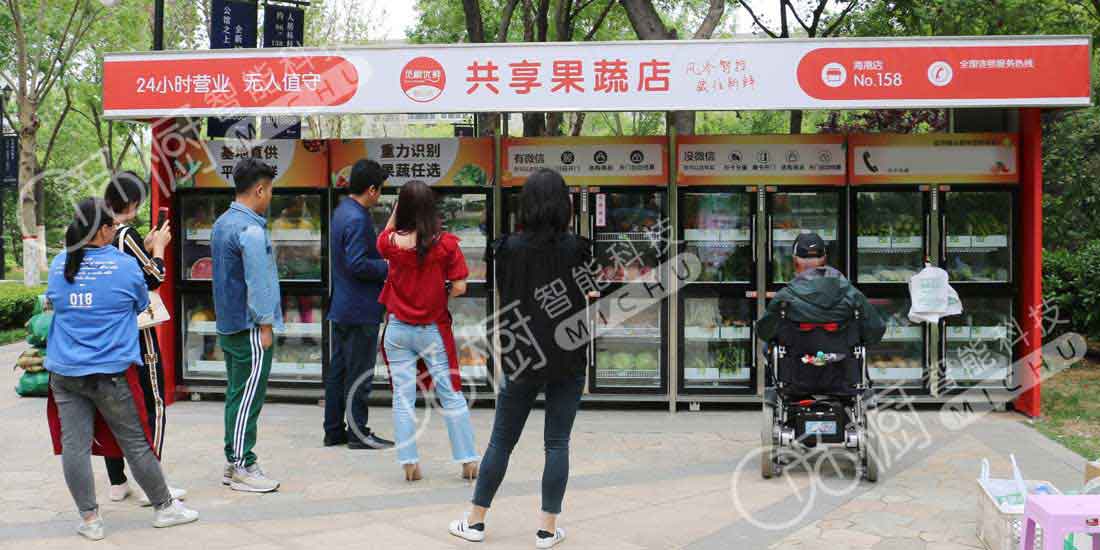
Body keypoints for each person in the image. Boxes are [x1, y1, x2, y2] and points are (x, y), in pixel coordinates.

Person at [448, 169, 590, 549]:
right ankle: (547, 530)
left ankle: (475, 522)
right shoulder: (578, 248)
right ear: (564, 205)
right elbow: (588, 294)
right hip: (568, 354)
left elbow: (506, 293)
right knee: (557, 443)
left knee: (501, 441)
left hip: (522, 352)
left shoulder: (507, 248)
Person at [46, 199, 199, 540]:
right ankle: (165, 508)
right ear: (103, 230)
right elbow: (143, 301)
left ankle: (90, 520)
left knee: (75, 447)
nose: (116, 230)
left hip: (65, 373)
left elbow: (55, 300)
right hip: (110, 374)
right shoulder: (123, 266)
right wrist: (157, 250)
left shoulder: (59, 264)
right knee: (135, 442)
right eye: (112, 226)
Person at [377, 180, 478, 482]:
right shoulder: (446, 245)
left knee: (403, 398)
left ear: (402, 209)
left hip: (397, 330)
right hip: (432, 330)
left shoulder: (390, 243)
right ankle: (468, 461)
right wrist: (440, 291)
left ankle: (409, 463)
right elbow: (460, 287)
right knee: (451, 395)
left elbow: (383, 235)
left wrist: (397, 212)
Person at [101, 171, 186, 504]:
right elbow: (153, 277)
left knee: (114, 407)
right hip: (139, 333)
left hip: (109, 333)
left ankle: (117, 481)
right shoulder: (126, 233)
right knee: (154, 403)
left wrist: (146, 247)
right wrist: (160, 248)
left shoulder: (100, 233)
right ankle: (155, 483)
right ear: (133, 202)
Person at [211, 158, 283, 493]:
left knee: (237, 395)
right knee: (247, 400)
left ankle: (235, 462)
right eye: (270, 190)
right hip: (250, 328)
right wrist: (265, 325)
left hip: (229, 325)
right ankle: (241, 464)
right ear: (260, 190)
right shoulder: (250, 229)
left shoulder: (222, 223)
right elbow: (258, 282)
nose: (270, 197)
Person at [325, 159, 394, 449]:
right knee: (359, 375)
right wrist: (387, 267)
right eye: (380, 189)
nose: (379, 195)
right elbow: (357, 263)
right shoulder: (358, 218)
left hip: (342, 306)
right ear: (372, 190)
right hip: (360, 309)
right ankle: (358, 433)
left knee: (339, 371)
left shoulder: (343, 210)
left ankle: (333, 430)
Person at [756, 232, 885, 344]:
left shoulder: (784, 298)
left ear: (795, 261)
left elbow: (764, 333)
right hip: (842, 363)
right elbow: (876, 331)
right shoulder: (852, 295)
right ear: (824, 259)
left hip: (794, 363)